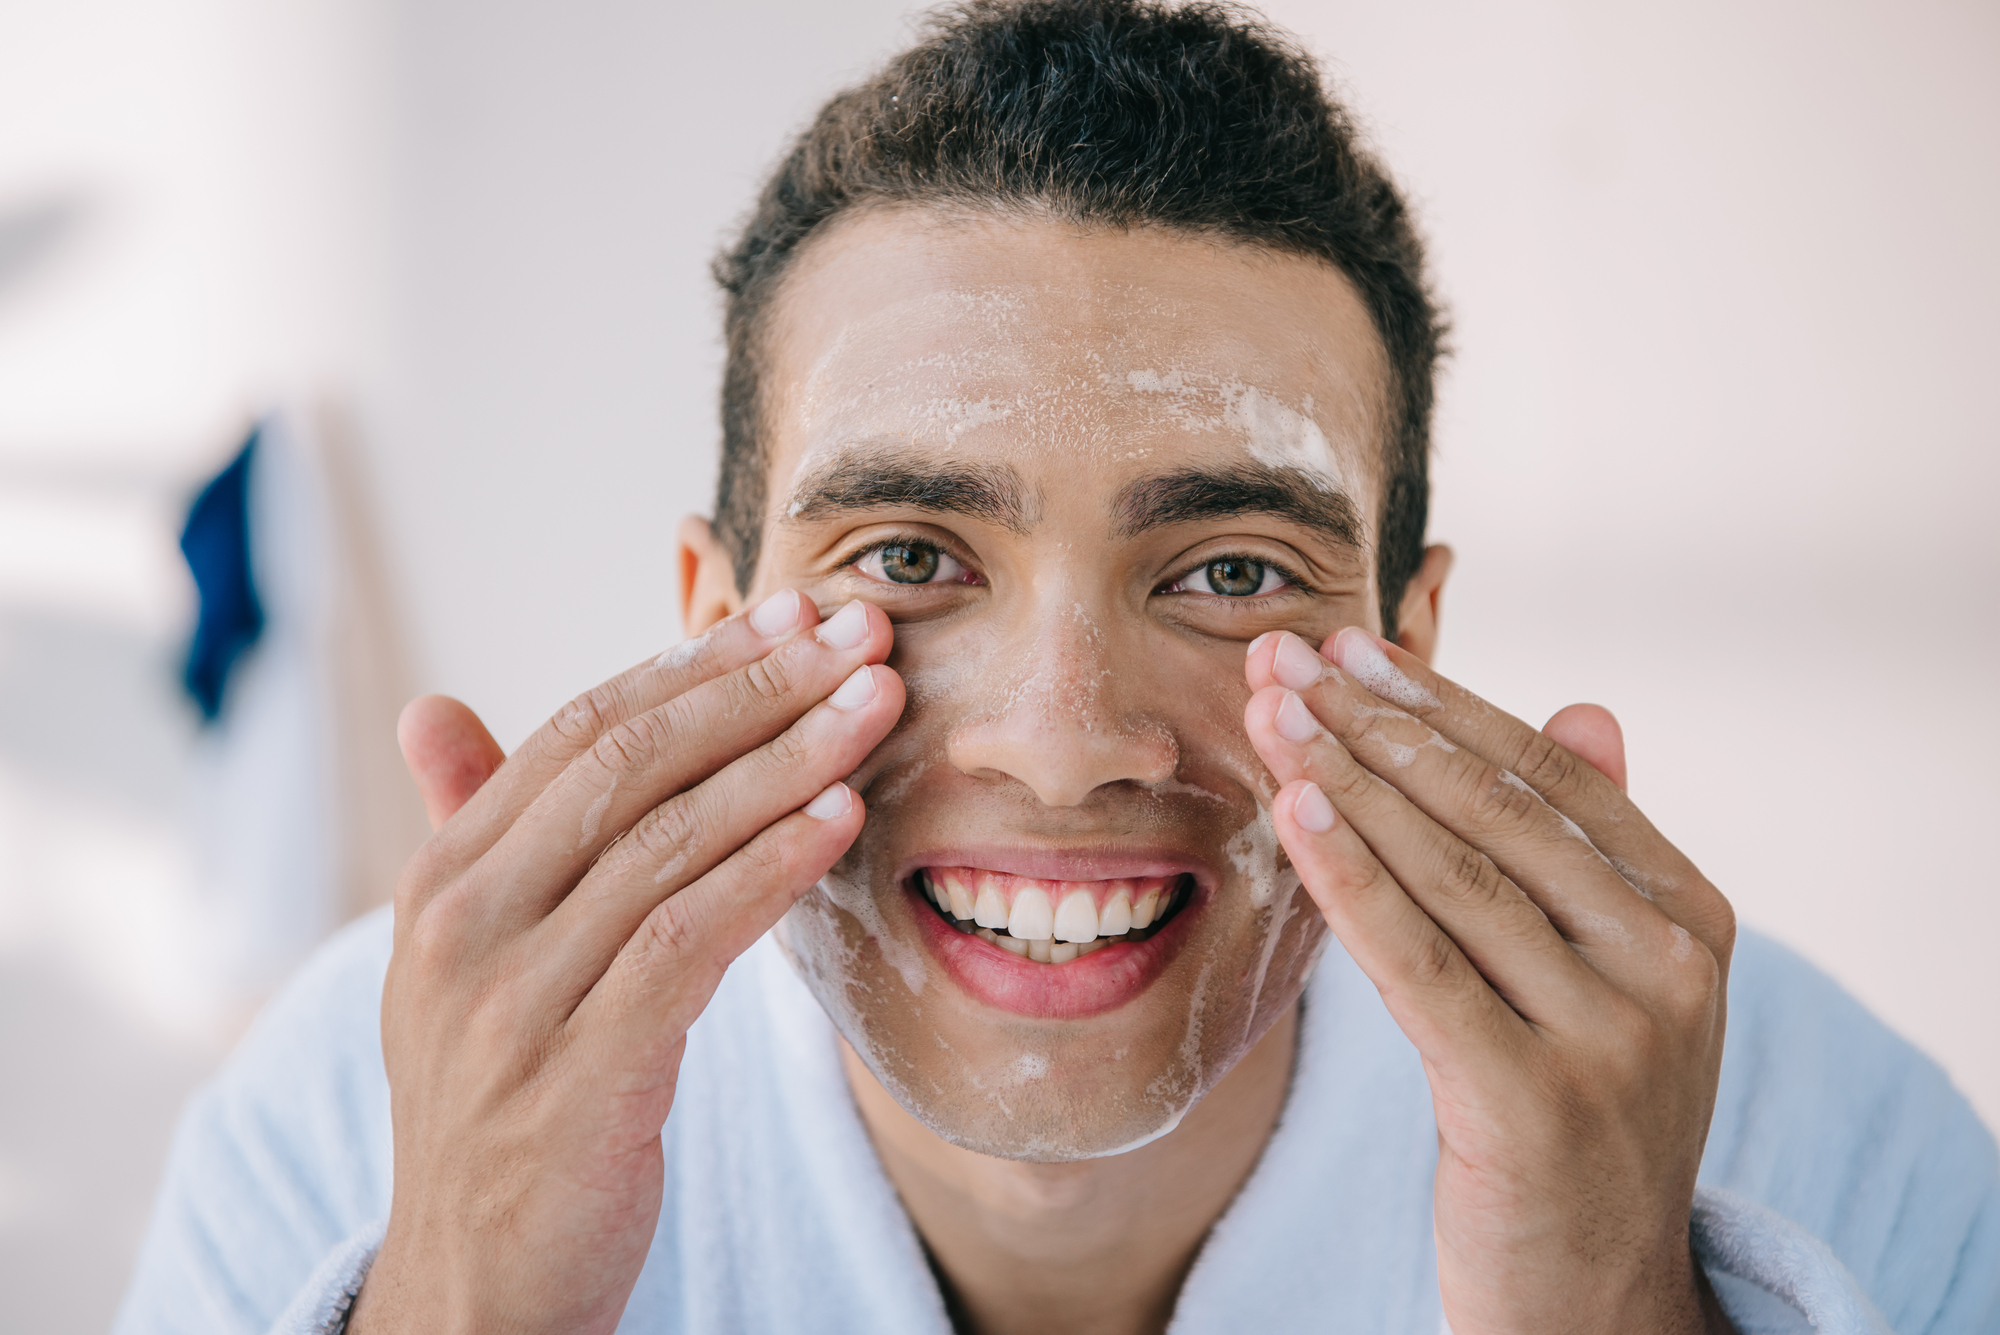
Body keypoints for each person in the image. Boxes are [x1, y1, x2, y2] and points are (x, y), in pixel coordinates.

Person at [115, 2, 1999, 1332]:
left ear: (1412, 650)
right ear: (713, 624)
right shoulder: (355, 1133)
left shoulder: (1815, 1136)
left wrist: (1615, 1313)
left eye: (1233, 569)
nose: (1064, 743)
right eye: (913, 559)